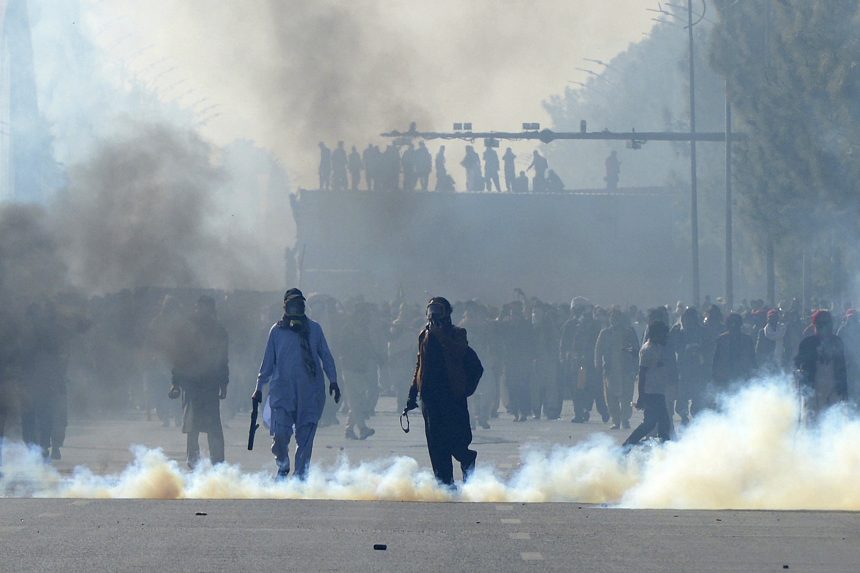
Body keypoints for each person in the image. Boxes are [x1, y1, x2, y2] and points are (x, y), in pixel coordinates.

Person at [252, 288, 340, 479]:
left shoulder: (314, 329)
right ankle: (283, 466)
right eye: (291, 305)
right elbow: (267, 363)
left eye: (298, 305)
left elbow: (326, 355)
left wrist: (333, 380)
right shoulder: (276, 331)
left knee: (306, 435)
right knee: (281, 434)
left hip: (310, 391)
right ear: (285, 307)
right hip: (283, 391)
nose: (295, 308)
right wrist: (258, 388)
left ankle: (301, 476)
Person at [405, 297, 483, 487]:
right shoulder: (423, 335)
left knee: (456, 440)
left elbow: (460, 352)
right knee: (436, 442)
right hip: (430, 397)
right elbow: (419, 364)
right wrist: (412, 392)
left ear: (447, 313)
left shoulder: (457, 333)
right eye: (431, 310)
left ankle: (467, 460)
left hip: (451, 395)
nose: (433, 314)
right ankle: (445, 484)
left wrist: (441, 336)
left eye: (437, 310)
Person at [169, 296, 229, 468]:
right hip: (191, 383)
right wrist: (175, 382)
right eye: (200, 307)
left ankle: (217, 460)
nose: (202, 311)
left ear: (211, 310)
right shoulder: (186, 332)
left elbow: (223, 360)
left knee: (213, 424)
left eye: (206, 308)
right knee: (192, 423)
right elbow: (178, 359)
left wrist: (224, 383)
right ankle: (193, 459)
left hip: (210, 384)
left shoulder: (219, 331)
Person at [623, 321, 677, 447]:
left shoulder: (657, 347)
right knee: (650, 423)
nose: (665, 337)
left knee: (663, 423)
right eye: (663, 334)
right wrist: (641, 396)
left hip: (658, 391)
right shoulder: (647, 350)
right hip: (650, 393)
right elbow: (642, 374)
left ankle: (664, 448)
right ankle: (627, 446)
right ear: (656, 334)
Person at [339, 303, 382, 440]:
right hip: (350, 368)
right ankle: (362, 428)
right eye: (364, 315)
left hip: (361, 368)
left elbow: (368, 347)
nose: (366, 318)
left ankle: (349, 429)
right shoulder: (347, 329)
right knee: (356, 400)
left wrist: (377, 356)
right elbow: (342, 347)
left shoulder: (363, 329)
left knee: (359, 400)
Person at [795, 310, 847, 419]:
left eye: (827, 323)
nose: (825, 327)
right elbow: (798, 363)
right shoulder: (807, 343)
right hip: (813, 386)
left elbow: (842, 367)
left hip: (834, 386)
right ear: (815, 325)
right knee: (813, 420)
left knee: (833, 420)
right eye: (821, 324)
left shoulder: (837, 341)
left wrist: (843, 388)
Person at [595, 308, 639, 430]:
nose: (614, 319)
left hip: (626, 369)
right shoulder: (604, 334)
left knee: (627, 398)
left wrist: (636, 367)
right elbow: (598, 351)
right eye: (612, 317)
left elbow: (636, 351)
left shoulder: (629, 332)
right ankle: (616, 420)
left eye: (616, 317)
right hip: (610, 370)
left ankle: (625, 419)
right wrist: (598, 366)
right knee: (611, 398)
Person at [712, 313, 756, 394]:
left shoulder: (747, 340)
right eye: (731, 324)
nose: (733, 326)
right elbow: (716, 359)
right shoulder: (721, 339)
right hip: (726, 375)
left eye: (736, 324)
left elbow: (752, 359)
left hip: (741, 374)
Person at [755, 309, 789, 373]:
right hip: (767, 362)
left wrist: (786, 358)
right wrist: (761, 360)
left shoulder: (783, 330)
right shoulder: (762, 332)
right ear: (768, 319)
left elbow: (787, 346)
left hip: (781, 360)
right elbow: (759, 348)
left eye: (775, 317)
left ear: (777, 319)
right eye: (771, 318)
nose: (773, 320)